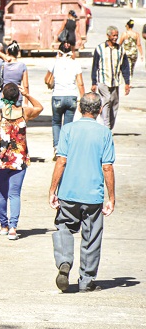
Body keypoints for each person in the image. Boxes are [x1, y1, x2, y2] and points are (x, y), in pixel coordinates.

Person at [49, 92, 115, 293]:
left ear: (79, 108)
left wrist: (53, 189)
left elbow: (61, 161)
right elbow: (107, 167)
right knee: (92, 237)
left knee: (63, 227)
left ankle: (64, 262)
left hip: (68, 192)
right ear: (100, 110)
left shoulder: (68, 130)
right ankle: (86, 280)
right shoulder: (105, 133)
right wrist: (111, 197)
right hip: (93, 195)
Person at [0, 83, 43, 240]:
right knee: (15, 194)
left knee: (2, 192)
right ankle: (13, 228)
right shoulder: (25, 112)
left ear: (2, 96)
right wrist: (27, 94)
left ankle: (3, 226)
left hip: (1, 160)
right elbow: (39, 107)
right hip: (19, 160)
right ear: (17, 96)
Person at [45, 41, 85, 161]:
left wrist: (51, 84)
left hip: (57, 96)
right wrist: (82, 101)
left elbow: (47, 79)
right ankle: (65, 151)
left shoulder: (54, 62)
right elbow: (80, 83)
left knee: (56, 123)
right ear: (71, 52)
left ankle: (57, 148)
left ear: (59, 51)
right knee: (68, 125)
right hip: (71, 97)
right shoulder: (76, 64)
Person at [91, 26, 131, 130]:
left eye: (117, 35)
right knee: (106, 100)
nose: (115, 37)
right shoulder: (100, 49)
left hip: (115, 82)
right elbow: (95, 66)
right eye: (113, 35)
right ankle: (106, 126)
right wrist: (94, 82)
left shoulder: (120, 50)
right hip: (103, 81)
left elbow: (125, 67)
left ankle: (109, 126)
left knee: (114, 104)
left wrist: (127, 83)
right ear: (108, 35)